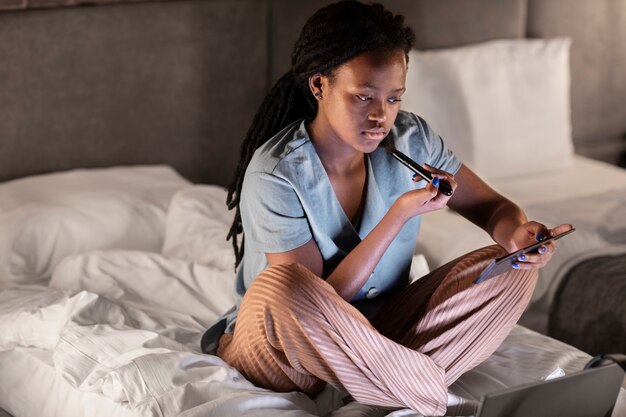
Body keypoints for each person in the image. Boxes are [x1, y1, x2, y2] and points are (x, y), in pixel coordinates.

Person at [201, 1, 571, 415]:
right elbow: (322, 301)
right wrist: (398, 215)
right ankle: (427, 397)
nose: (381, 116)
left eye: (394, 98)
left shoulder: (411, 138)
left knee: (509, 270)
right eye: (364, 97)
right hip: (286, 349)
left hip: (380, 333)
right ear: (319, 85)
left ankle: (385, 387)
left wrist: (517, 235)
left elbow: (491, 206)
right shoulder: (276, 173)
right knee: (283, 286)